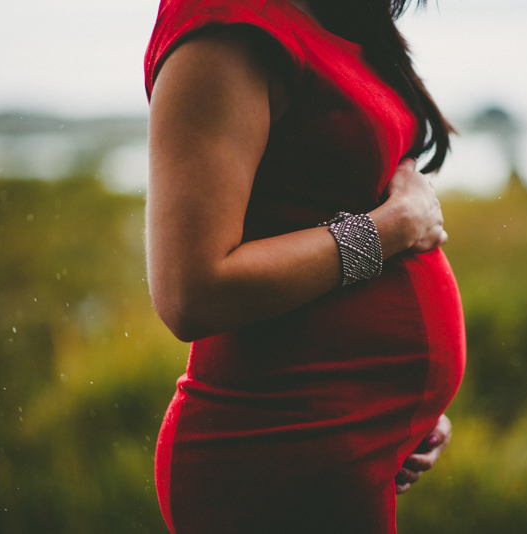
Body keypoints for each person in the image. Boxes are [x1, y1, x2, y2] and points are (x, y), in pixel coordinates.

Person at [144, 0, 466, 532]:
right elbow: (191, 291)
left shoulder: (331, 15)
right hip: (271, 460)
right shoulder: (226, 22)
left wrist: (394, 412)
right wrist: (391, 230)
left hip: (341, 451)